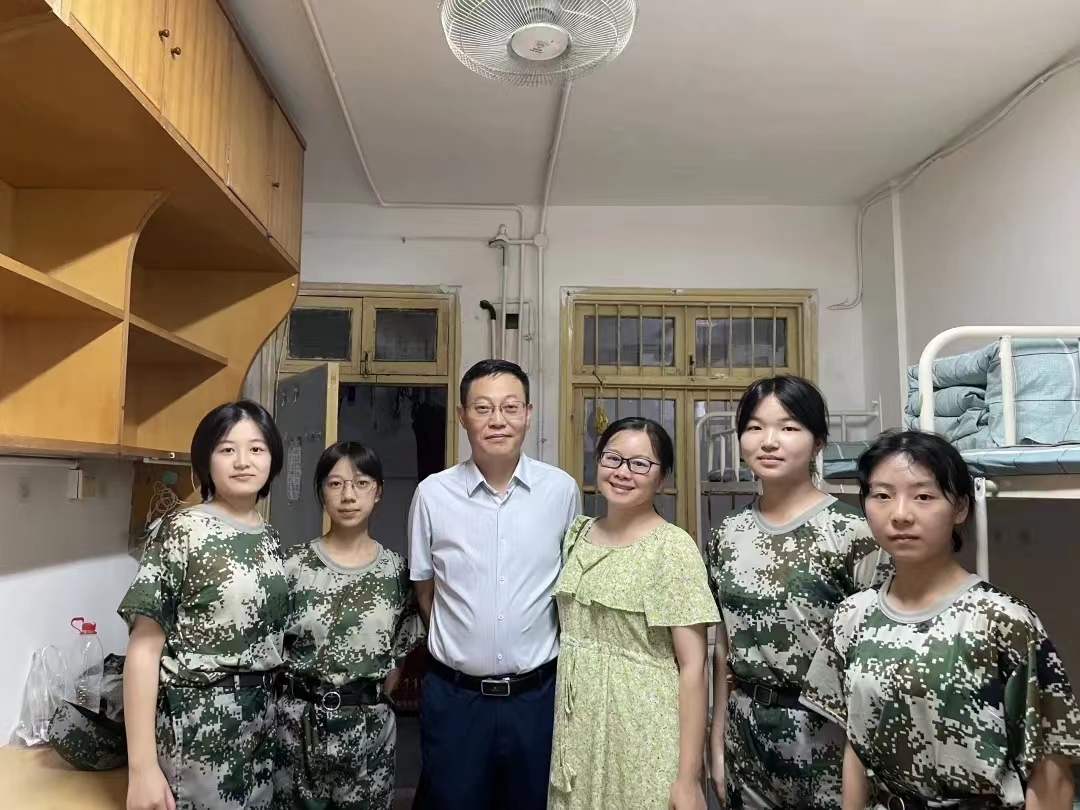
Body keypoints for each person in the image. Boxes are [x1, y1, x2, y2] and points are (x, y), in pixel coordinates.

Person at [803, 430, 1080, 810]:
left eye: (923, 496)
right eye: (882, 496)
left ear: (960, 508)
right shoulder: (853, 617)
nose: (901, 514)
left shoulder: (1002, 620)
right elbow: (854, 743)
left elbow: (1050, 771)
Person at [705, 376, 891, 810]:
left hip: (830, 741)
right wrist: (716, 739)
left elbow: (878, 657)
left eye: (788, 427)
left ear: (818, 441)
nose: (769, 441)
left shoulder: (853, 532)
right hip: (745, 738)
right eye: (754, 427)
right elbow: (723, 646)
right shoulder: (727, 534)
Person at [408, 359, 580, 810]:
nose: (497, 420)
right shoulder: (432, 494)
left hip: (537, 699)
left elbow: (567, 587)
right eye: (483, 408)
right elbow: (425, 590)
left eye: (510, 407)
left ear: (528, 413)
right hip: (456, 699)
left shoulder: (560, 491)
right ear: (462, 416)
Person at [120, 401, 288, 810]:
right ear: (206, 461)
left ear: (272, 459)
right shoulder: (184, 529)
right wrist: (141, 768)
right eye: (227, 449)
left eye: (256, 449)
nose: (243, 461)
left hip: (262, 727)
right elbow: (144, 648)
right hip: (198, 730)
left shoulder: (270, 537)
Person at [548, 417, 720, 810]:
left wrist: (688, 777)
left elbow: (693, 668)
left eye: (640, 464)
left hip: (643, 728)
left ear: (661, 479)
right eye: (612, 458)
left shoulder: (672, 549)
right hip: (576, 727)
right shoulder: (576, 535)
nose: (622, 472)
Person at [276, 441, 426, 810]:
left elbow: (398, 655)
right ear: (321, 492)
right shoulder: (291, 567)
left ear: (378, 492)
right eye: (335, 483)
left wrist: (365, 702)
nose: (348, 496)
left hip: (369, 735)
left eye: (361, 483)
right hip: (298, 731)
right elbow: (271, 649)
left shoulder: (396, 573)